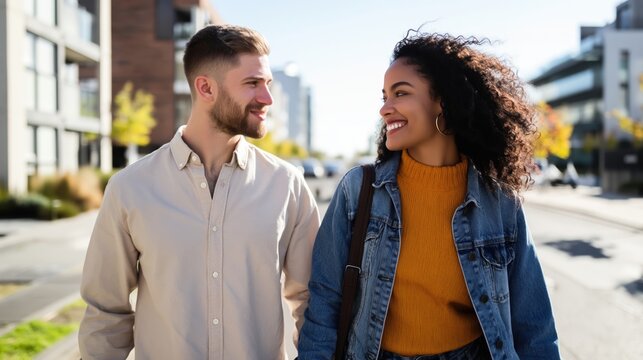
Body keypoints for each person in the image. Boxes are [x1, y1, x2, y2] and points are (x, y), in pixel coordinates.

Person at [298, 31, 560, 360]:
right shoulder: (358, 191)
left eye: (400, 93)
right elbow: (324, 303)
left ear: (443, 100)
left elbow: (534, 327)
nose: (385, 109)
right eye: (384, 97)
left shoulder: (500, 204)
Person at [79, 25, 320, 359]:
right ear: (206, 88)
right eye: (252, 84)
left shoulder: (288, 185)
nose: (267, 98)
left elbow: (312, 304)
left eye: (268, 84)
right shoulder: (130, 188)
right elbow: (106, 312)